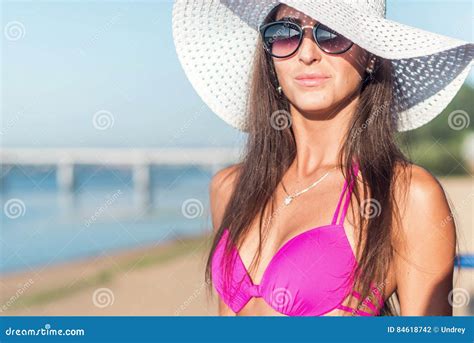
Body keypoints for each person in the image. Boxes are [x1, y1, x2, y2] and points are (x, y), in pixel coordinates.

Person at [172, 0, 473, 316]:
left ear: (370, 55)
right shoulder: (230, 188)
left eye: (331, 34)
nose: (306, 54)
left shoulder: (406, 195)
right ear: (269, 56)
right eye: (286, 34)